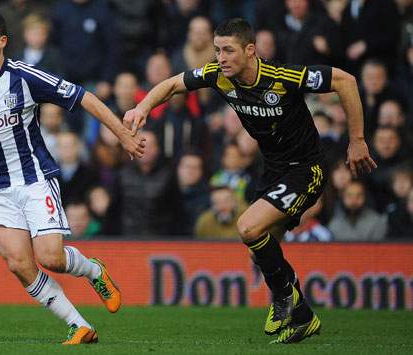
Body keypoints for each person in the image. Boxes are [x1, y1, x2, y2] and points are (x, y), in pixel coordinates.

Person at [123, 18, 377, 344]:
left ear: (250, 50)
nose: (220, 57)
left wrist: (356, 139)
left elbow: (346, 80)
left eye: (228, 50)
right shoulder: (218, 76)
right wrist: (142, 108)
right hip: (272, 170)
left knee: (248, 228)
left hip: (306, 169)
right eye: (217, 50)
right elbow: (172, 84)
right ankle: (303, 316)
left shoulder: (282, 77)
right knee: (258, 251)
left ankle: (285, 297)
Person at [0, 10, 145, 345]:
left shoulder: (25, 77)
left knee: (51, 258)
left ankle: (93, 271)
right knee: (20, 264)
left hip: (34, 179)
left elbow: (84, 97)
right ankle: (79, 325)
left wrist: (122, 134)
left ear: (1, 41)